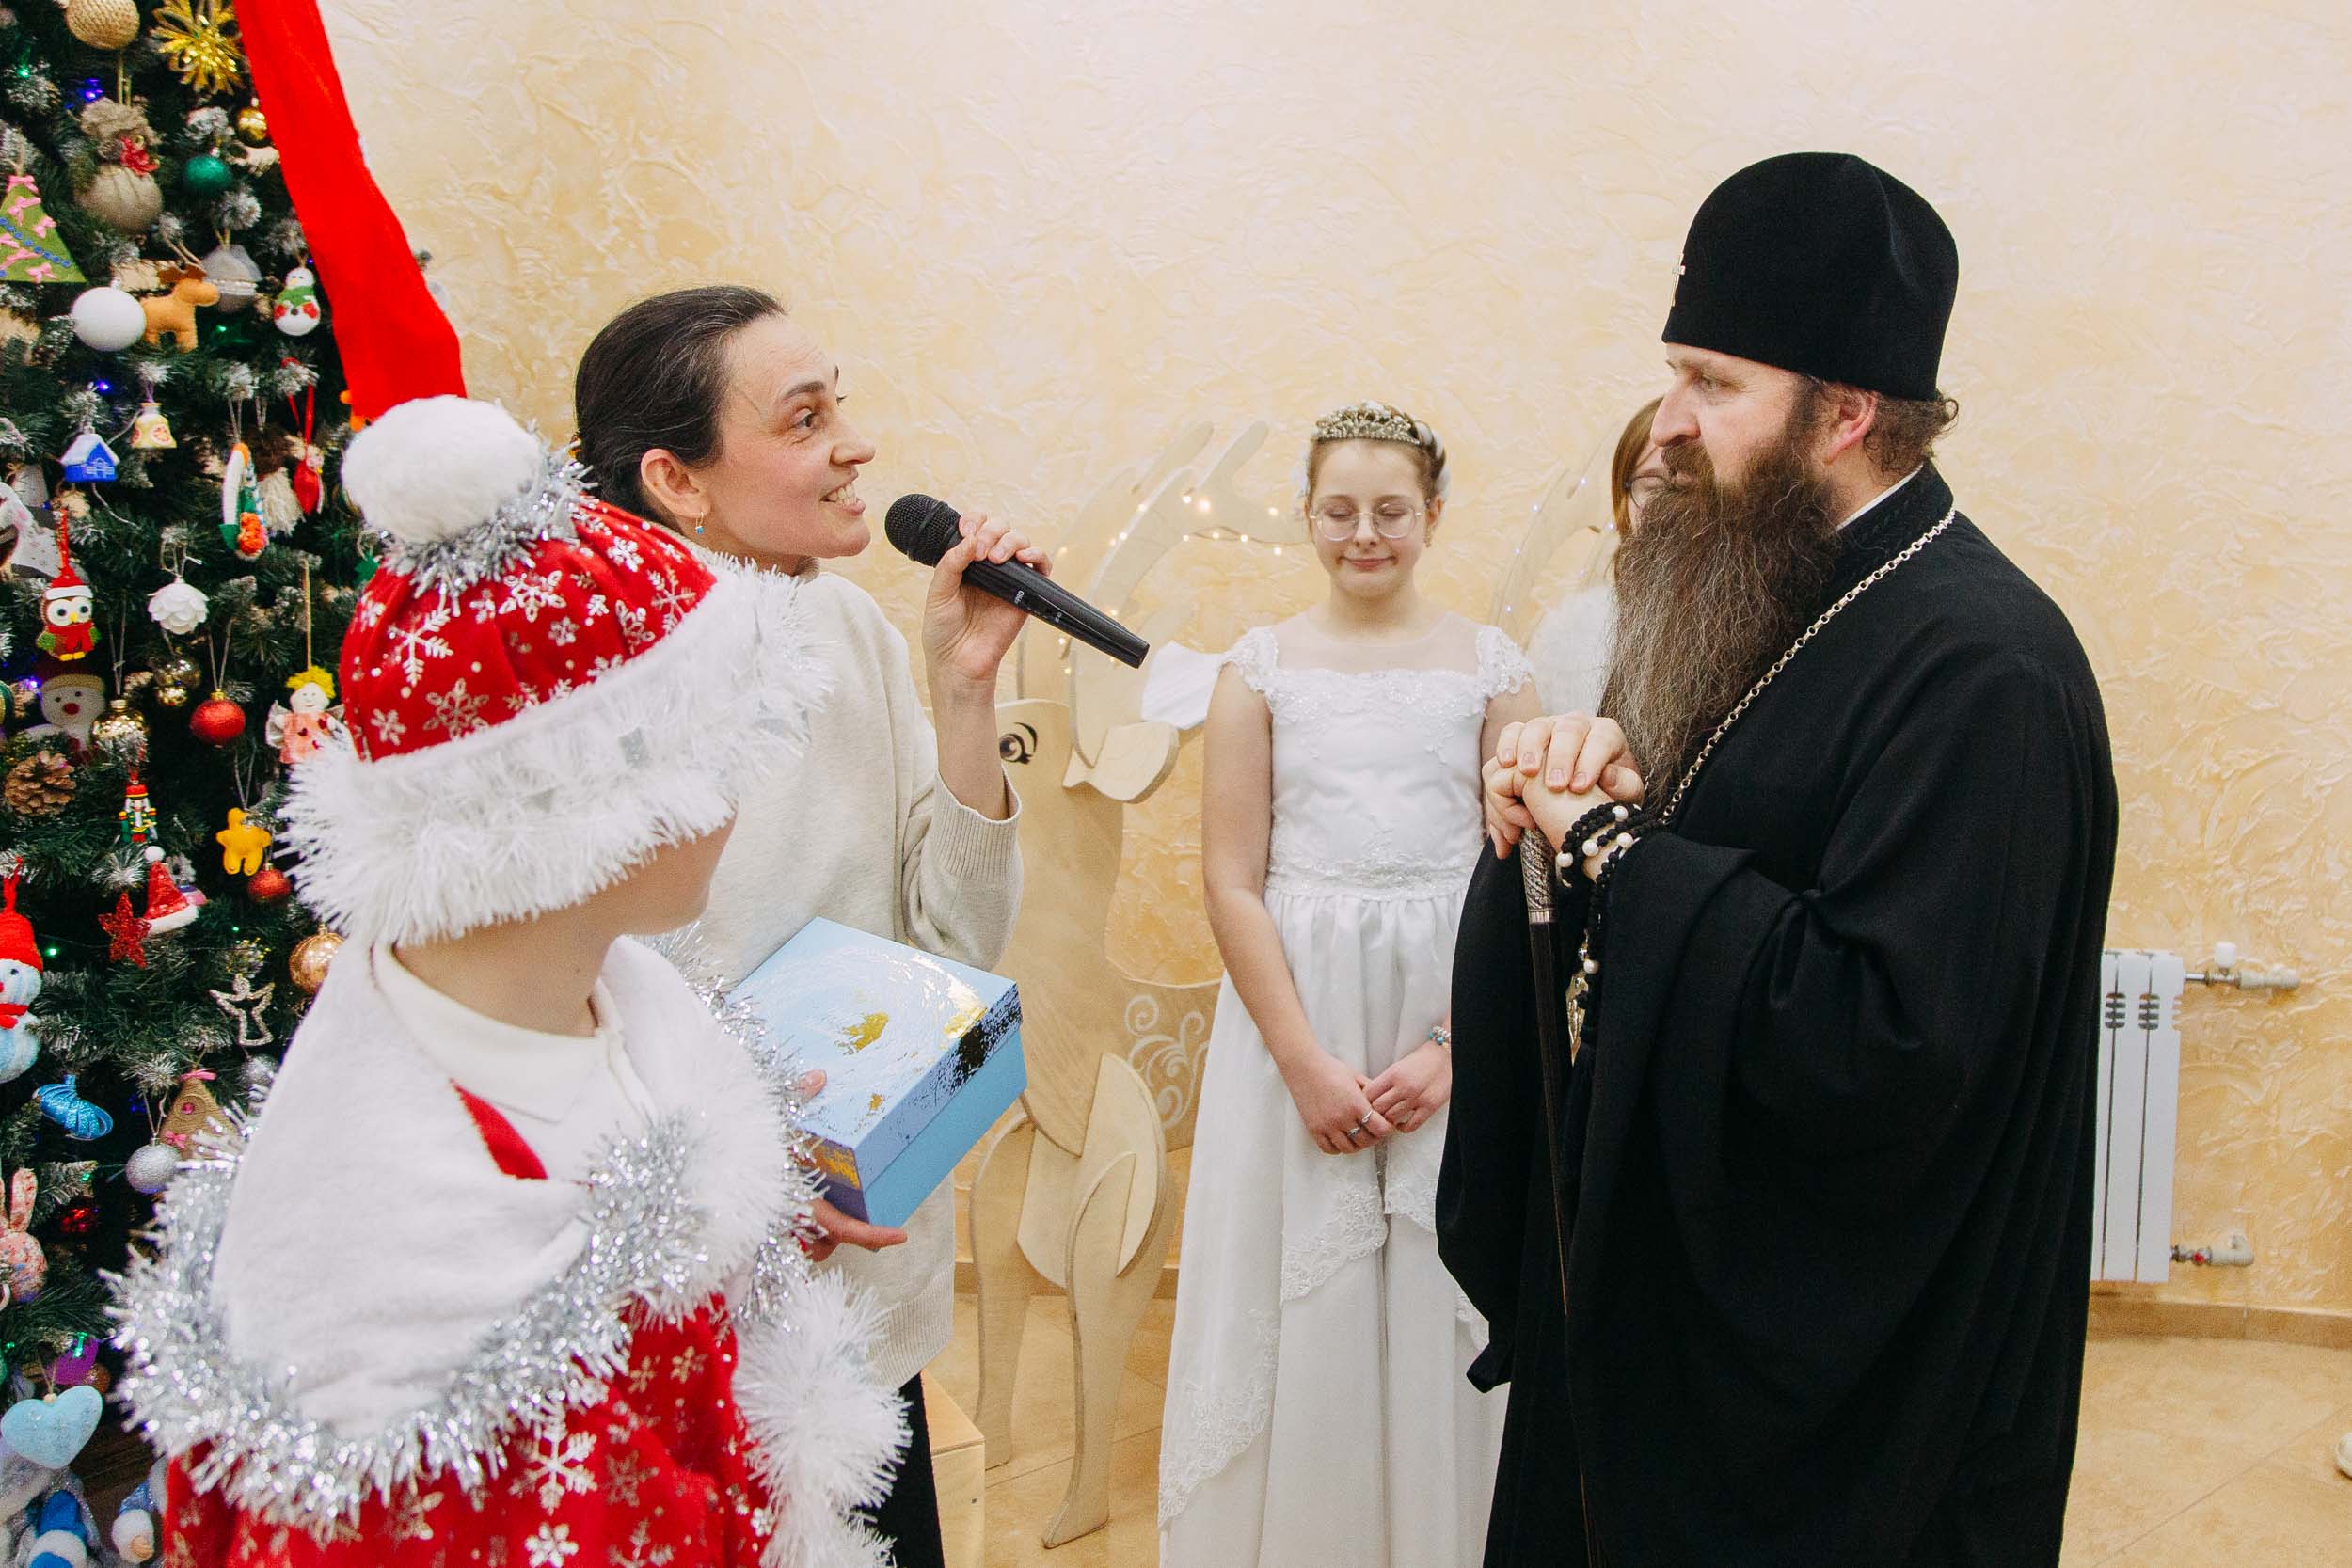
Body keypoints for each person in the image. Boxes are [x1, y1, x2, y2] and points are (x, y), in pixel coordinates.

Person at [1438, 152, 2119, 1568]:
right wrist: (1573, 805)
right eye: (1674, 376)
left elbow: (1890, 1042)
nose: (1669, 424)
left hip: (1845, 1412)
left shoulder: (1984, 669)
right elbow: (1702, 839)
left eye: (1712, 381)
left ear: (1845, 411)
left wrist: (1616, 851)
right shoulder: (1764, 581)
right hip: (1659, 1323)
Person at [112, 395, 904, 1565]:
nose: (743, 787)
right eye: (721, 744)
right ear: (594, 794)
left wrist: (748, 1226)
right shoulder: (398, 1311)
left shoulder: (623, 1000)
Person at [574, 285, 1032, 1568]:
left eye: (841, 407)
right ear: (677, 479)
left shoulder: (844, 625)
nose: (854, 446)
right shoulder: (592, 682)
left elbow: (954, 943)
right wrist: (739, 1176)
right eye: (804, 418)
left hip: (861, 1265)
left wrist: (963, 690)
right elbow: (578, 996)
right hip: (685, 1273)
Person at [1159, 402, 1536, 1567]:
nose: (1363, 533)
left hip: (1450, 1005)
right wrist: (1305, 1064)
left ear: (1433, 514)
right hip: (1299, 1016)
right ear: (1305, 515)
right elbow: (1231, 880)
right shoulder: (1256, 671)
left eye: (1389, 510)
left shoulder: (1493, 669)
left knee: (1437, 1279)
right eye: (1338, 510)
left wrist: (1453, 1048)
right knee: (1305, 1290)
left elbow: (1525, 883)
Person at [1525, 396, 1665, 710]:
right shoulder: (1570, 632)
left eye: (1688, 487)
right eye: (1653, 487)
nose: (1670, 506)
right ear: (1623, 500)